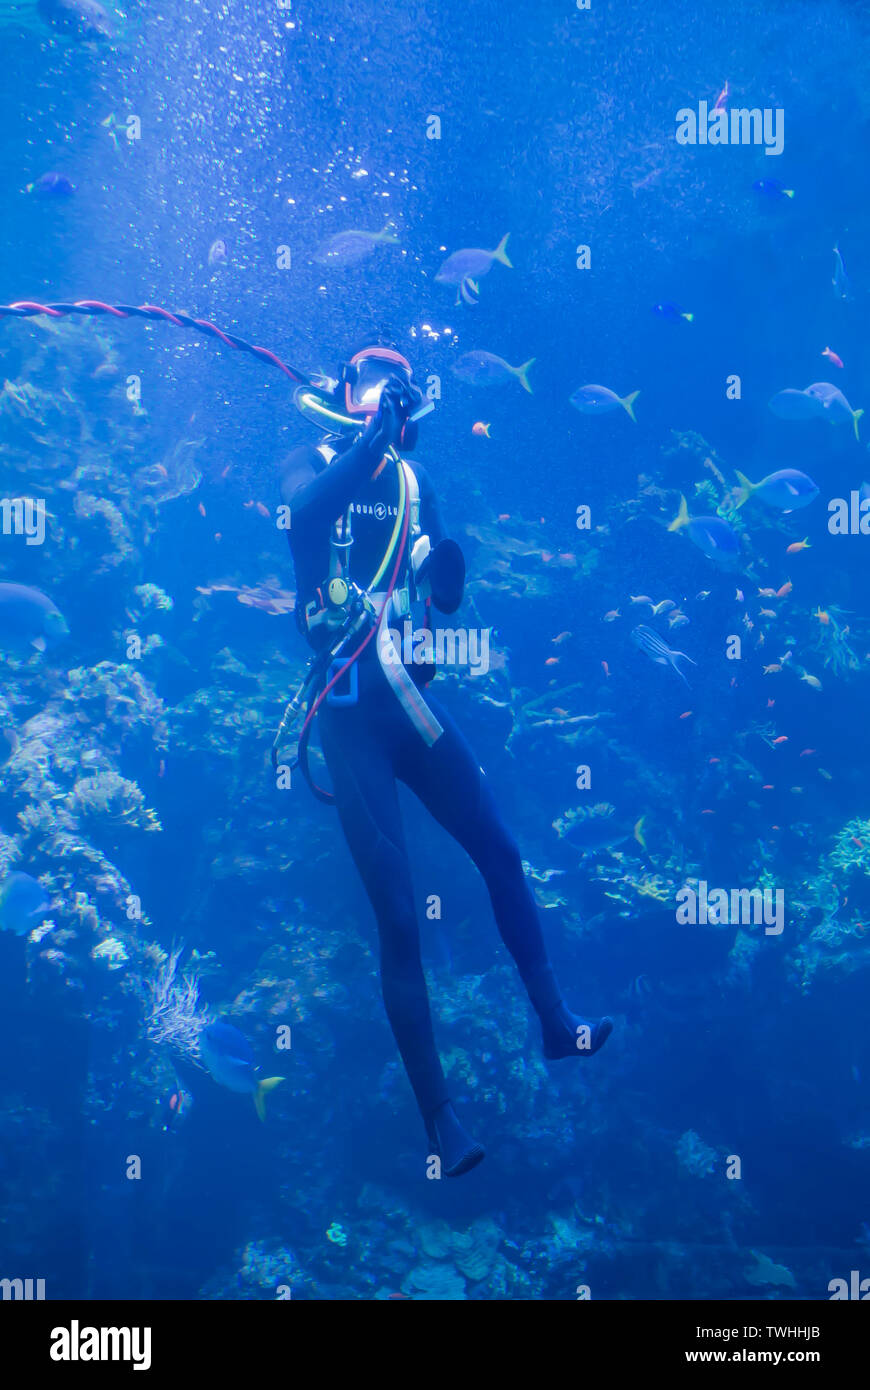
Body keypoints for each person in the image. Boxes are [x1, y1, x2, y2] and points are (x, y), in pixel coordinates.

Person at [278, 335, 612, 1176]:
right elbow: (309, 517)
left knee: (500, 850)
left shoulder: (417, 483)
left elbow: (436, 582)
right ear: (344, 388)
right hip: (347, 715)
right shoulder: (312, 460)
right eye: (370, 379)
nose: (385, 391)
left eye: (399, 382)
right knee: (399, 915)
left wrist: (442, 577)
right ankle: (441, 1122)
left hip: (409, 704)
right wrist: (366, 443)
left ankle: (556, 1023)